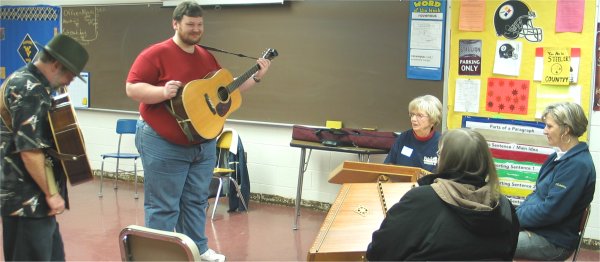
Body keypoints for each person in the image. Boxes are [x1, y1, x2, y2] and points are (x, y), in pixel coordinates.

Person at [125, 1, 270, 261]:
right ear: (175, 24)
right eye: (190, 24)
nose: (196, 29)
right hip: (162, 141)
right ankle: (159, 256)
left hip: (202, 144)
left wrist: (257, 76)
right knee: (163, 206)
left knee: (195, 201)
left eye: (199, 25)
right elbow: (132, 88)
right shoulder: (155, 54)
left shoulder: (206, 56)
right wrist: (161, 92)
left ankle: (197, 249)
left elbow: (226, 90)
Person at [367, 128, 519, 261]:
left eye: (439, 153)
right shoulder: (504, 206)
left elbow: (379, 253)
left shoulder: (421, 199)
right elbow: (508, 255)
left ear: (447, 160)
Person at [0, 34, 89, 261]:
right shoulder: (30, 89)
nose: (70, 81)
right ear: (56, 65)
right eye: (70, 74)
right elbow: (29, 150)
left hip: (30, 198)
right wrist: (51, 193)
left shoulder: (29, 81)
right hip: (26, 199)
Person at [514, 102, 596, 261]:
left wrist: (514, 218)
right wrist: (514, 215)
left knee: (491, 242)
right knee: (492, 233)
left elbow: (551, 211)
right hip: (541, 230)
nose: (544, 131)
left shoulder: (577, 166)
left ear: (566, 130)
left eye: (549, 126)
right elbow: (537, 194)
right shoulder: (558, 157)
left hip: (554, 242)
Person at [384, 95, 442, 172]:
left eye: (419, 115)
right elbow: (387, 167)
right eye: (412, 114)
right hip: (402, 183)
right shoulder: (403, 138)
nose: (413, 119)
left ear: (432, 119)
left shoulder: (442, 143)